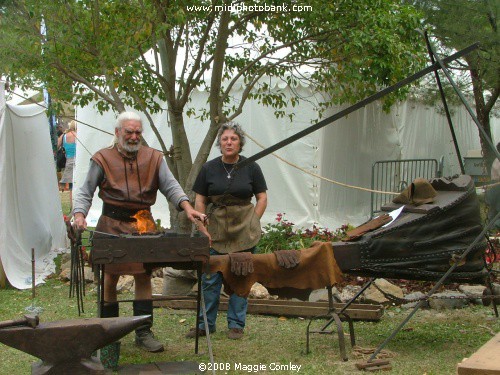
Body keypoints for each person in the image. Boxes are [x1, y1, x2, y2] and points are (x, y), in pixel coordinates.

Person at [73, 111, 206, 352]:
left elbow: (171, 186)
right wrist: (79, 214)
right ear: (117, 133)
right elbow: (86, 190)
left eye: (137, 132)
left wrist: (187, 207)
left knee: (143, 276)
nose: (134, 137)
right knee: (110, 277)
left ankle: (143, 332)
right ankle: (109, 334)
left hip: (143, 225)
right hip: (111, 225)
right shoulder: (102, 158)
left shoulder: (154, 158)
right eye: (129, 132)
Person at [186, 121, 268, 340]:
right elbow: (200, 200)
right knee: (211, 278)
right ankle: (205, 324)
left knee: (241, 276)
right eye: (225, 139)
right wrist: (202, 227)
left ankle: (236, 324)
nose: (229, 142)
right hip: (216, 229)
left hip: (244, 230)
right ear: (219, 144)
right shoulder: (209, 168)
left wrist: (253, 221)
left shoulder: (251, 167)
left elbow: (262, 197)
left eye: (233, 139)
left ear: (240, 143)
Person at [58, 120, 77, 206]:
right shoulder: (79, 136)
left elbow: (56, 147)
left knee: (70, 188)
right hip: (78, 162)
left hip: (68, 163)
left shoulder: (64, 136)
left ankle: (72, 207)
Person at [486, 143, 500, 229]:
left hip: (495, 186)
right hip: (497, 188)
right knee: (496, 208)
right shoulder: (498, 161)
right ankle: (493, 227)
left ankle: (491, 227)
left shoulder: (497, 159)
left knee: (494, 209)